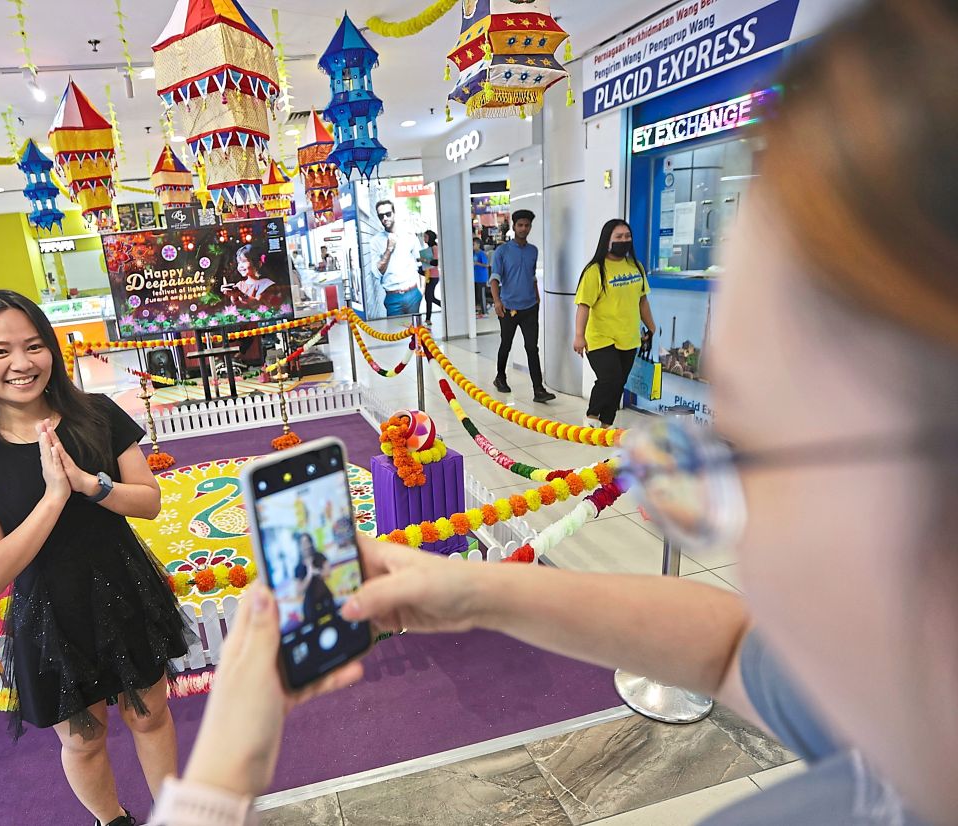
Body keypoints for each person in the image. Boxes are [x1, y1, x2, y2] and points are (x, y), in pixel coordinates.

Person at [144, 2, 958, 823]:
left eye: (747, 443)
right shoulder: (901, 702)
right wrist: (473, 591)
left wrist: (215, 787)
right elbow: (734, 647)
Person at [0, 290, 191, 826]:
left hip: (124, 590)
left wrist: (88, 485)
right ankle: (112, 820)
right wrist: (53, 497)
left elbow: (149, 501)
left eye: (33, 346)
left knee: (150, 717)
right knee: (84, 741)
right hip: (50, 614)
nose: (21, 363)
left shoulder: (96, 415)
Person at [573, 219, 657, 429]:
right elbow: (583, 305)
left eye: (627, 236)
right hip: (600, 336)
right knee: (609, 378)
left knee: (619, 382)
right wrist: (578, 335)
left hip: (629, 336)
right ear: (607, 240)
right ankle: (591, 417)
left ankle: (606, 424)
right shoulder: (595, 270)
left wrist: (652, 326)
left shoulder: (636, 267)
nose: (624, 240)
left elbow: (642, 300)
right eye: (618, 237)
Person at [490, 209, 555, 403]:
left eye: (527, 225)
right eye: (520, 225)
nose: (523, 228)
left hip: (529, 307)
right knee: (506, 344)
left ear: (530, 227)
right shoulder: (502, 251)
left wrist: (536, 296)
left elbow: (532, 275)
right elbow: (494, 278)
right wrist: (497, 301)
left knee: (531, 348)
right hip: (508, 307)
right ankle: (500, 377)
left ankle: (538, 389)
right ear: (514, 226)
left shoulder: (533, 251)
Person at [368, 199, 422, 317]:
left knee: (416, 333)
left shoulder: (409, 234)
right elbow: (377, 272)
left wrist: (423, 290)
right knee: (396, 333)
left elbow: (422, 261)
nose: (385, 218)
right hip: (393, 297)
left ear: (394, 213)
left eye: (388, 214)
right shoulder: (375, 242)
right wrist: (389, 249)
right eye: (381, 216)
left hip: (412, 293)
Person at [419, 229, 441, 325]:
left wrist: (423, 259)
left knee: (429, 297)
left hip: (433, 276)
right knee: (429, 297)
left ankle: (428, 318)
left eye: (426, 236)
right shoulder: (430, 248)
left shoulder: (434, 248)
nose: (424, 238)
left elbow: (436, 262)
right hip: (429, 275)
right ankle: (429, 318)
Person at [472, 236, 490, 316]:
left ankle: (485, 311)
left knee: (481, 295)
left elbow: (486, 265)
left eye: (473, 244)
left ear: (478, 244)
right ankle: (479, 309)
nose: (472, 246)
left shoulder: (482, 254)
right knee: (477, 295)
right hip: (475, 278)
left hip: (482, 278)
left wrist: (477, 263)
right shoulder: (473, 253)